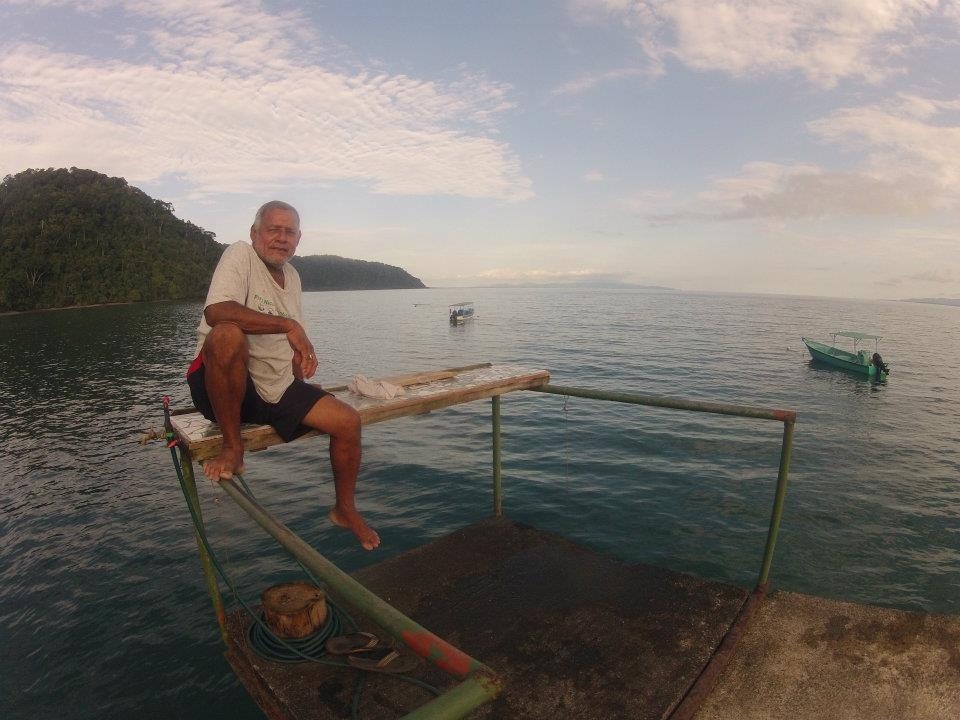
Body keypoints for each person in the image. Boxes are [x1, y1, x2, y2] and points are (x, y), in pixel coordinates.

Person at [186, 200, 380, 550]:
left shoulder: (292, 276)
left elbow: (288, 345)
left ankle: (344, 508)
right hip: (223, 384)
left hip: (274, 384)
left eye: (289, 232)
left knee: (348, 421)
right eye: (273, 229)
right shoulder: (240, 255)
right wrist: (287, 325)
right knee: (227, 334)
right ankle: (233, 447)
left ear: (298, 239)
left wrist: (301, 378)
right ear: (254, 233)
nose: (281, 238)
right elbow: (216, 312)